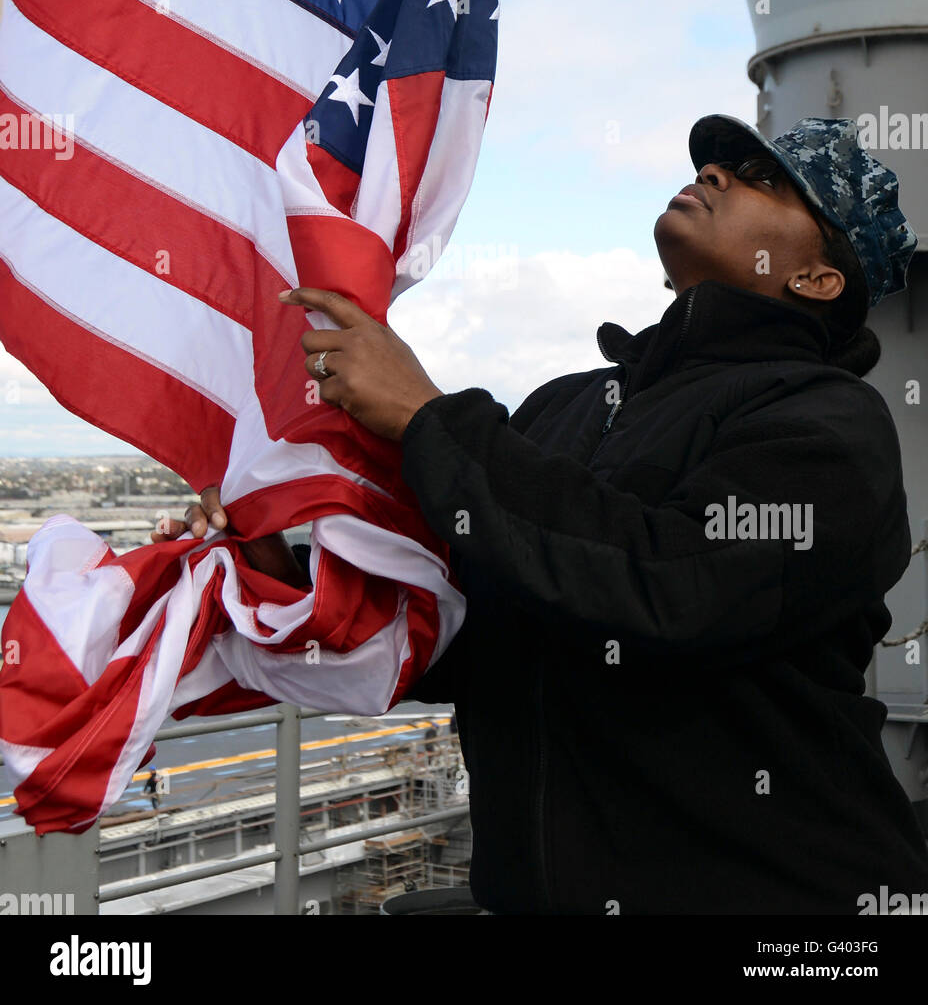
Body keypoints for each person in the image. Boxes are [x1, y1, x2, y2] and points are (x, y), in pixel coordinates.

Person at [154, 113, 928, 915]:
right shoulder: (568, 406)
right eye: (721, 163)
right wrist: (287, 572)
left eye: (765, 179)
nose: (718, 174)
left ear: (814, 279)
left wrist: (429, 419)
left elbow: (665, 586)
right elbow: (468, 624)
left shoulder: (833, 426)